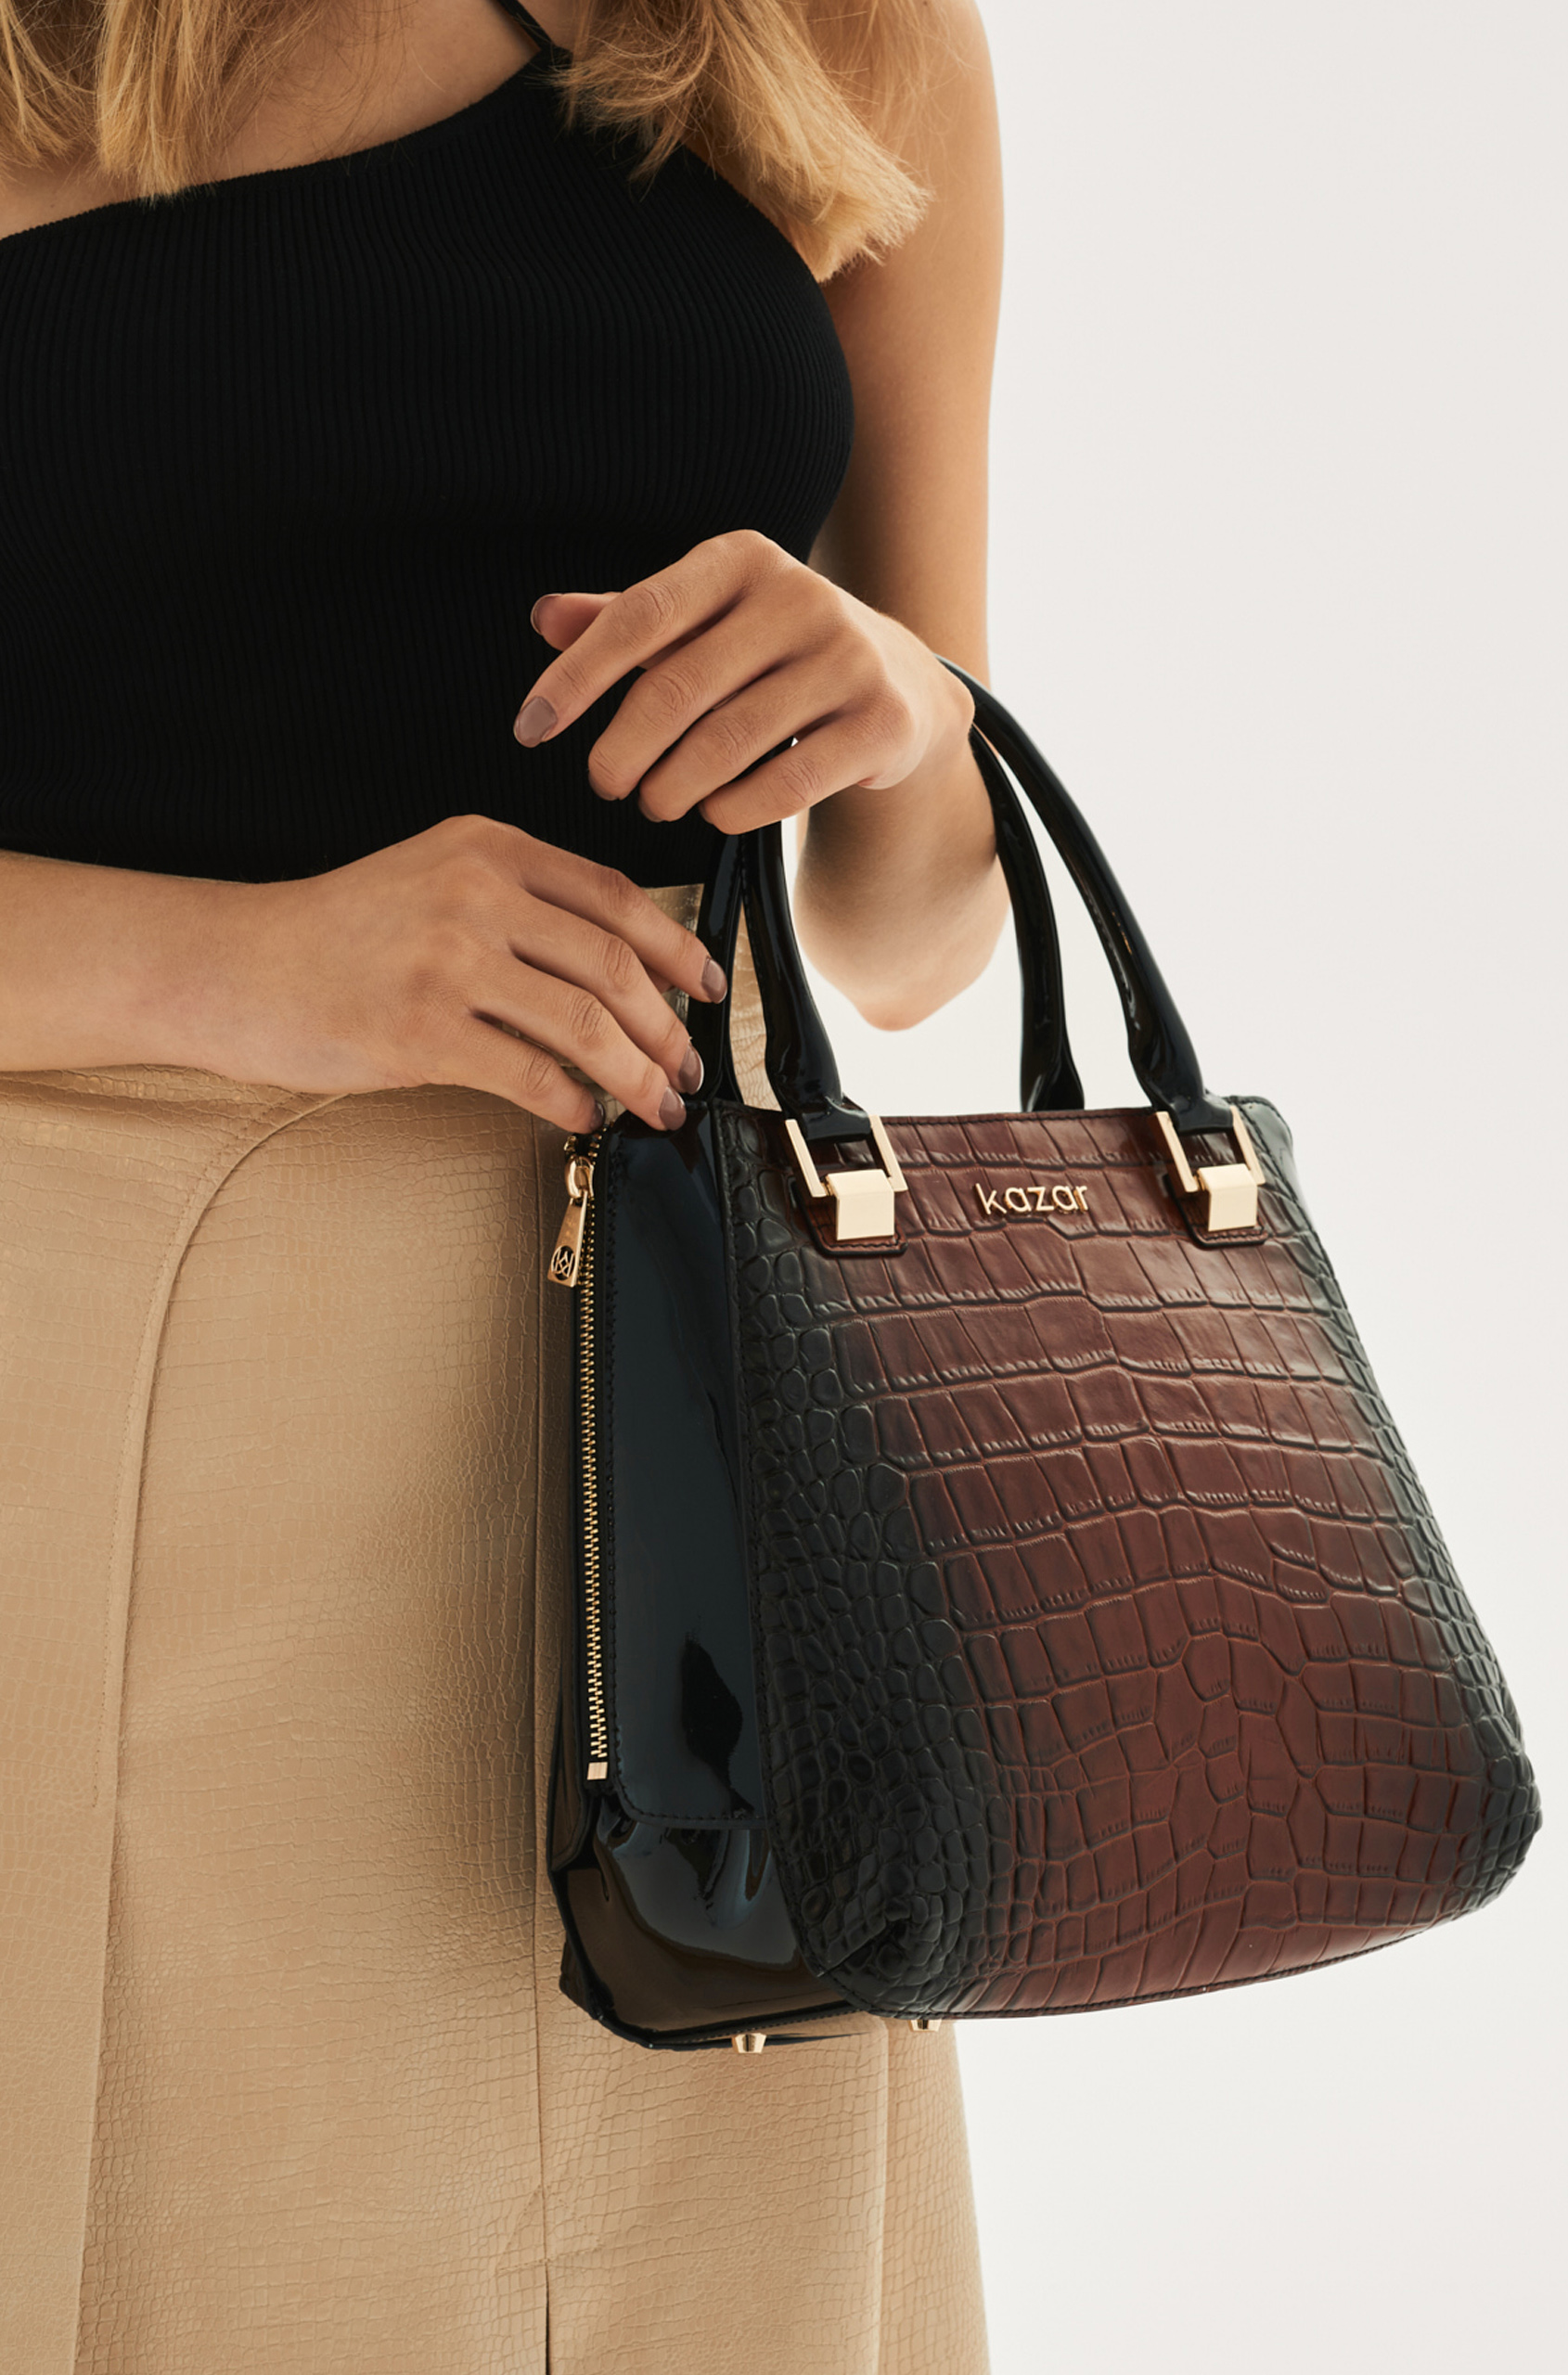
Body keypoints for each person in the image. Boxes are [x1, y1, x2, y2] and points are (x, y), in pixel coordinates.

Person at [0, 2, 1007, 2367]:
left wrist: (902, 700)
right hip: (103, 1370)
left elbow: (910, 929)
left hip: (703, 1445)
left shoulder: (825, 30)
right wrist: (248, 965)